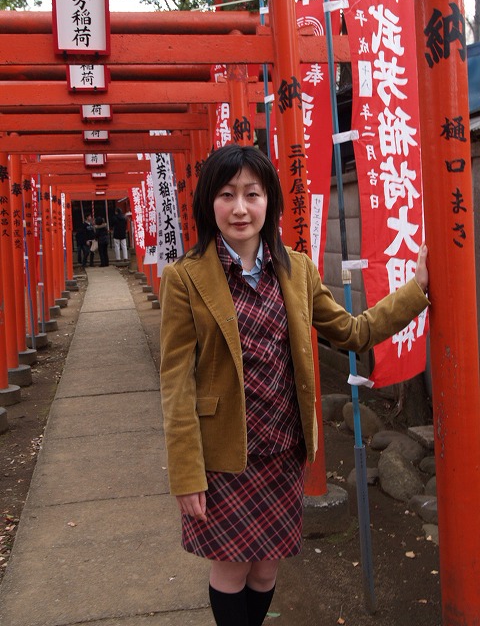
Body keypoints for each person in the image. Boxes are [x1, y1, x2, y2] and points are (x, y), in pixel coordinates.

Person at [158, 145, 429, 626]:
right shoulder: (185, 279)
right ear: (208, 204)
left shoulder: (297, 268)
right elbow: (175, 382)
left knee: (265, 571)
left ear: (270, 202)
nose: (240, 208)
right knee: (233, 567)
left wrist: (418, 290)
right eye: (226, 195)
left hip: (283, 448)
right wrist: (185, 473)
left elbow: (354, 331)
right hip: (225, 453)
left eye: (252, 194)